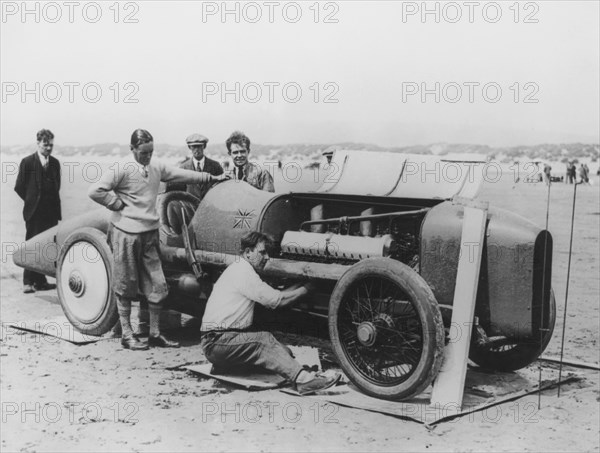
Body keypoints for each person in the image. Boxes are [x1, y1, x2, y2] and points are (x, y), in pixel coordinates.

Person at [89, 129, 229, 350]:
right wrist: (116, 204)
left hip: (150, 234)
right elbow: (95, 190)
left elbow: (181, 175)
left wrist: (212, 178)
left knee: (159, 284)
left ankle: (155, 333)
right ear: (132, 149)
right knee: (125, 284)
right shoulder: (122, 168)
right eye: (143, 152)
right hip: (125, 233)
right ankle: (127, 334)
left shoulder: (156, 166)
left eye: (151, 152)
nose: (147, 156)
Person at [200, 231, 341, 395]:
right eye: (262, 252)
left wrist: (302, 285)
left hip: (221, 341)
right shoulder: (243, 273)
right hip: (217, 341)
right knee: (263, 340)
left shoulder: (240, 268)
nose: (267, 257)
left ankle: (227, 366)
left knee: (283, 353)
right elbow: (278, 301)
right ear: (248, 252)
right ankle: (304, 381)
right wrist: (307, 288)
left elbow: (276, 295)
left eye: (268, 253)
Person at [14, 129, 61, 294]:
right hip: (34, 213)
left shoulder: (55, 163)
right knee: (31, 245)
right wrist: (31, 201)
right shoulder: (27, 162)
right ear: (38, 143)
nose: (48, 148)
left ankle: (40, 281)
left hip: (50, 213)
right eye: (45, 144)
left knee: (47, 246)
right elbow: (19, 187)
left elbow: (57, 187)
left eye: (51, 145)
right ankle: (28, 282)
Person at [166, 133, 224, 200]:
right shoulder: (183, 168)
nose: (196, 149)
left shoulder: (215, 166)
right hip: (190, 208)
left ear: (204, 146)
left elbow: (221, 189)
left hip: (211, 206)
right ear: (189, 147)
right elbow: (180, 192)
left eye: (199, 146)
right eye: (194, 147)